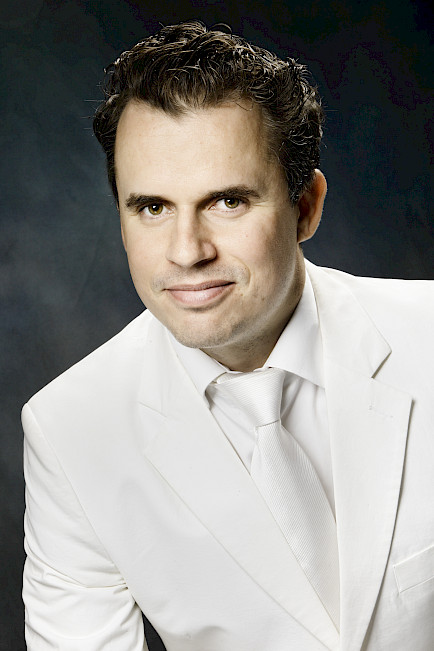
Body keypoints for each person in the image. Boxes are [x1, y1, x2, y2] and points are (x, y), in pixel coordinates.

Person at [22, 21, 433, 651]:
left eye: (227, 202)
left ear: (306, 206)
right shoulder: (69, 431)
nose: (187, 252)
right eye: (153, 207)